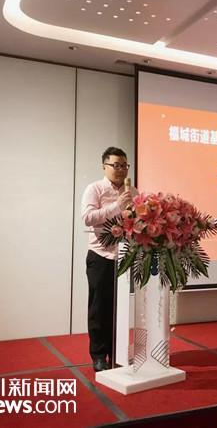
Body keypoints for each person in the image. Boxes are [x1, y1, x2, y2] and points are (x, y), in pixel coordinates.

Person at [81, 147, 137, 372]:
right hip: (100, 256)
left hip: (124, 257)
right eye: (116, 165)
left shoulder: (132, 191)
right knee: (99, 308)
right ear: (104, 166)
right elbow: (87, 218)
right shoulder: (94, 188)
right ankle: (98, 355)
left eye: (124, 165)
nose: (121, 169)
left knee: (120, 308)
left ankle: (117, 352)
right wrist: (117, 207)